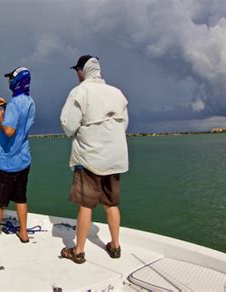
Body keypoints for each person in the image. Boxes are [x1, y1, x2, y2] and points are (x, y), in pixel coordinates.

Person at [59, 55, 129, 263]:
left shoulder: (80, 91)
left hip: (89, 158)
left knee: (86, 205)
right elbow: (123, 124)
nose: (77, 74)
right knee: (112, 204)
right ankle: (115, 247)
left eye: (77, 71)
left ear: (82, 70)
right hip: (115, 159)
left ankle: (78, 251)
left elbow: (68, 125)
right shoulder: (118, 93)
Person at [0, 66, 35, 246]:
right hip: (23, 161)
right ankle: (24, 233)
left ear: (18, 81)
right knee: (20, 197)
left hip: (6, 163)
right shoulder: (29, 102)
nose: (9, 81)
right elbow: (19, 119)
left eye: (11, 78)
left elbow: (9, 131)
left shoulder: (14, 104)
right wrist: (5, 106)